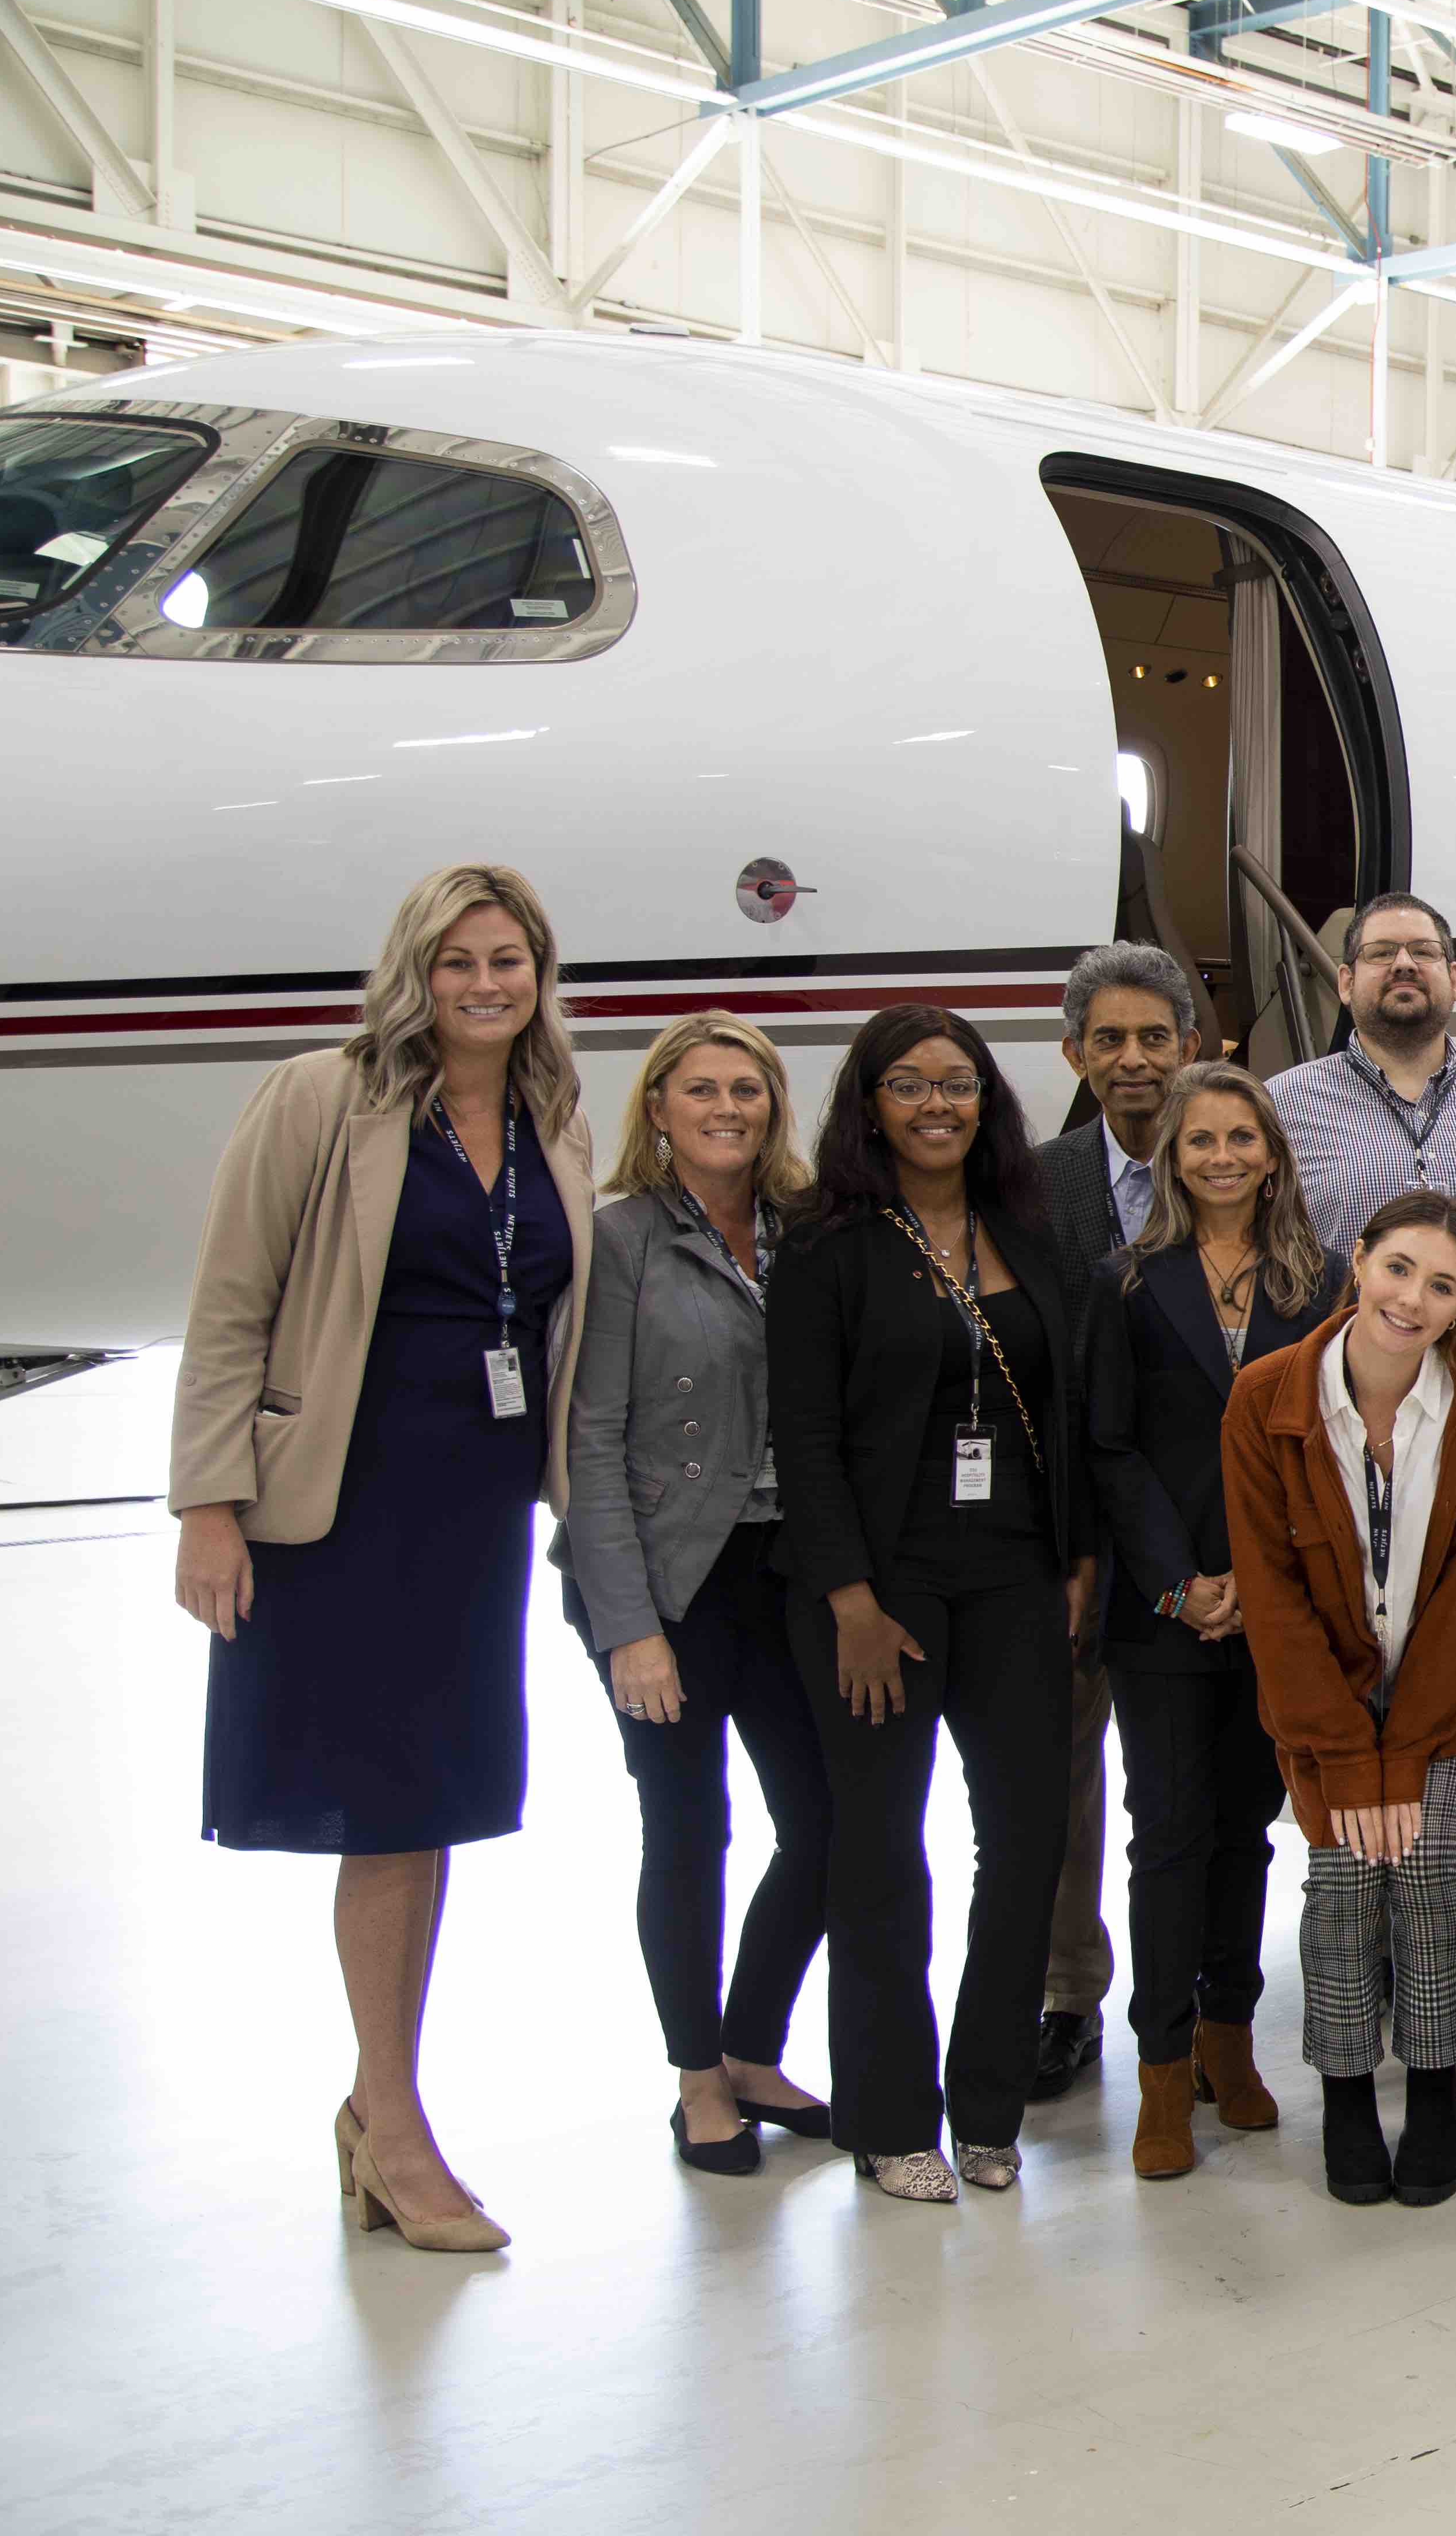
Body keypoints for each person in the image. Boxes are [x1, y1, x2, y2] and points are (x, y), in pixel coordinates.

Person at [172, 863, 595, 2254]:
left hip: (474, 1519)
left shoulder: (553, 1117)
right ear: (414, 971)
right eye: (458, 960)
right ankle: (394, 2123)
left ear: (540, 974)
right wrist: (208, 1503)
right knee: (382, 1816)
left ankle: (379, 2112)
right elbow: (232, 1301)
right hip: (338, 1512)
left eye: (509, 961)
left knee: (432, 1807)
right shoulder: (322, 1096)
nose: (485, 984)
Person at [770, 1006, 1092, 2204]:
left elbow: (1063, 1402)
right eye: (908, 1085)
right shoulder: (823, 1242)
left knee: (1022, 1845)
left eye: (957, 1083)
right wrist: (848, 1596)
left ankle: (991, 2104)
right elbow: (802, 1436)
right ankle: (892, 2115)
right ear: (868, 1104)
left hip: (1016, 1574)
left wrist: (1075, 1557)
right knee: (878, 1857)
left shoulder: (1030, 1223)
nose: (936, 1105)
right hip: (878, 1591)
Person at [557, 1010, 832, 2179]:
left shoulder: (808, 1233)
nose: (728, 1108)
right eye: (703, 1089)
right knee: (689, 1830)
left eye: (750, 1090)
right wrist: (631, 1630)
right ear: (659, 1109)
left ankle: (753, 2045)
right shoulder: (617, 1239)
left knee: (823, 1825)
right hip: (672, 1577)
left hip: (788, 1572)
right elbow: (592, 1439)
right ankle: (696, 2080)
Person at [1221, 1193, 1456, 2208]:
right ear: (1357, 1261)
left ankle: (1433, 2085)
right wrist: (1354, 1759)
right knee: (1348, 1877)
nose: (1411, 1297)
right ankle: (1348, 2089)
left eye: (1440, 1285)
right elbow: (1270, 1597)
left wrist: (1403, 1759)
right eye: (1398, 1267)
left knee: (1433, 1865)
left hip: (1452, 1692)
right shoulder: (1267, 1395)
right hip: (1323, 1696)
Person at [1086, 1062, 1345, 2178]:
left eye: (1244, 1137)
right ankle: (1157, 2069)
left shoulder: (1323, 1280)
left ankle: (1227, 2038)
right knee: (1169, 1834)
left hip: (1275, 1603)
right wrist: (1176, 1580)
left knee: (1248, 1829)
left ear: (1274, 1152)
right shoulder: (1127, 1282)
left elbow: (1330, 1443)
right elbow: (1111, 1445)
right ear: (1171, 1158)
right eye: (1202, 1141)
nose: (1225, 1156)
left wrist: (1256, 1578)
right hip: (1164, 1608)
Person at [1033, 942, 1201, 2107]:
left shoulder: (1231, 1168)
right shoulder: (1034, 1186)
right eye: (1111, 1039)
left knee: (1180, 1787)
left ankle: (1188, 2006)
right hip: (1063, 1534)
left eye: (1156, 1037)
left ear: (1192, 1046)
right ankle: (1064, 1992)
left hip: (1190, 1531)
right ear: (1075, 1055)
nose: (1134, 1060)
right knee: (1061, 1772)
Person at [1264, 894, 1456, 1261]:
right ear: (1346, 983)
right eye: (1380, 953)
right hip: (1340, 1320)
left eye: (1424, 952)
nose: (1403, 965)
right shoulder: (1280, 1105)